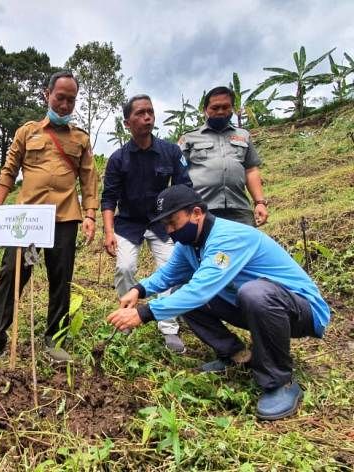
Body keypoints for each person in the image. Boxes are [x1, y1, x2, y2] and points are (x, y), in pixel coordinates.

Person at [107, 185, 330, 420]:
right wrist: (138, 289)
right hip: (256, 307)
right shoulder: (189, 244)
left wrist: (144, 313)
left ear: (196, 213)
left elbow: (201, 290)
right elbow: (169, 275)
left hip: (301, 310)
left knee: (252, 292)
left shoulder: (227, 237)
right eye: (166, 226)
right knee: (182, 291)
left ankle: (280, 381)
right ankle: (236, 355)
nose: (170, 231)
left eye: (174, 222)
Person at [0, 71, 99, 363]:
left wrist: (91, 215)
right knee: (12, 274)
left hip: (66, 218)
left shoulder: (80, 138)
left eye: (71, 100)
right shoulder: (27, 132)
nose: (65, 105)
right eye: (60, 97)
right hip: (26, 220)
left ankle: (54, 342)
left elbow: (89, 177)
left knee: (61, 280)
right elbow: (8, 170)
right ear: (47, 94)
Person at [101, 94, 192, 354]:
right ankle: (126, 317)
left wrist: (181, 223)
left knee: (171, 272)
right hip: (128, 224)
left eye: (150, 112)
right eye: (140, 113)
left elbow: (184, 187)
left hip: (163, 224)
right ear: (127, 122)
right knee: (125, 266)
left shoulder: (171, 152)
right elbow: (108, 198)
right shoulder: (118, 159)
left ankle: (169, 327)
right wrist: (109, 232)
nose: (147, 117)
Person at [179, 86, 268, 227]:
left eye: (225, 107)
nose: (220, 111)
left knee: (244, 247)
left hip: (240, 210)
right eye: (215, 108)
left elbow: (251, 170)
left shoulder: (243, 136)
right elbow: (179, 173)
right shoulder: (189, 138)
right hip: (203, 210)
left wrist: (260, 203)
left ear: (232, 108)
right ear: (205, 110)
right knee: (207, 248)